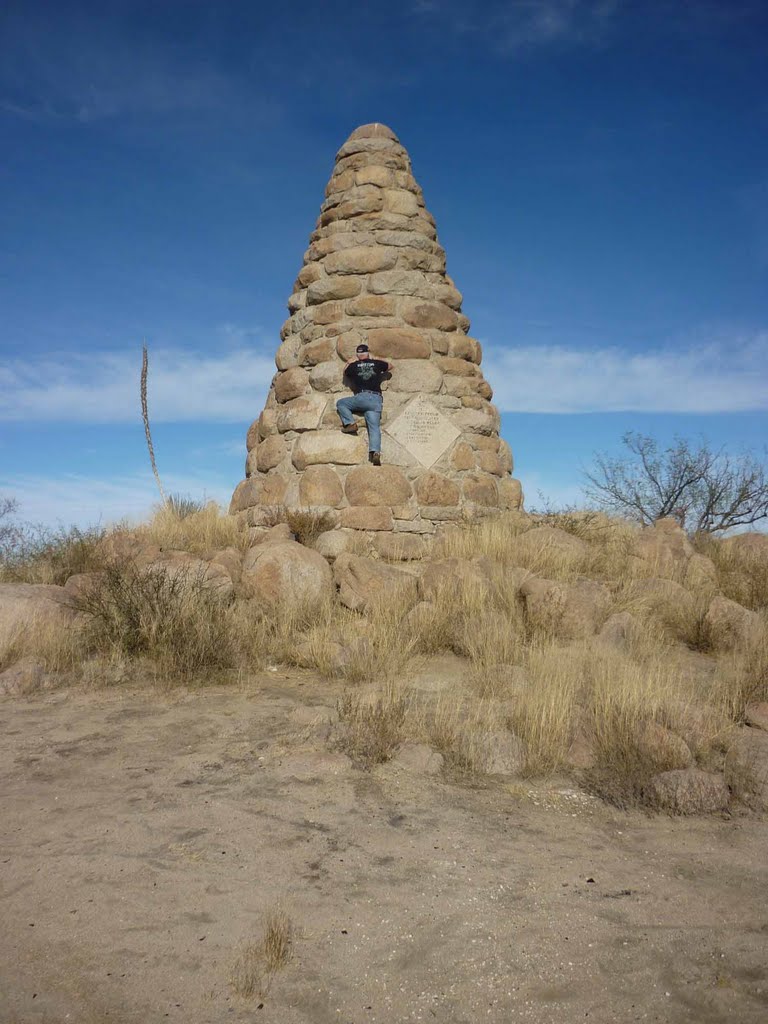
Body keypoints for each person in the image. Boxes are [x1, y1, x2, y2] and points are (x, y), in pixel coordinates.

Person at [336, 344, 392, 466]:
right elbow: (390, 366)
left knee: (341, 403)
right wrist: (375, 358)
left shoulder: (354, 365)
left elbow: (345, 372)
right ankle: (375, 452)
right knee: (374, 428)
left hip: (362, 397)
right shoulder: (376, 363)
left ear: (358, 354)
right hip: (376, 399)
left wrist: (350, 361)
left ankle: (350, 423)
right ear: (367, 353)